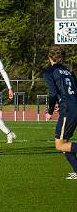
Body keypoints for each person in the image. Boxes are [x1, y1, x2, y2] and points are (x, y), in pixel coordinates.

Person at [43, 45, 77, 180]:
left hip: (68, 109)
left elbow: (52, 93)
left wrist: (50, 111)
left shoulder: (49, 72)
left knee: (60, 145)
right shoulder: (69, 72)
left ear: (49, 57)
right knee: (66, 143)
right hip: (72, 105)